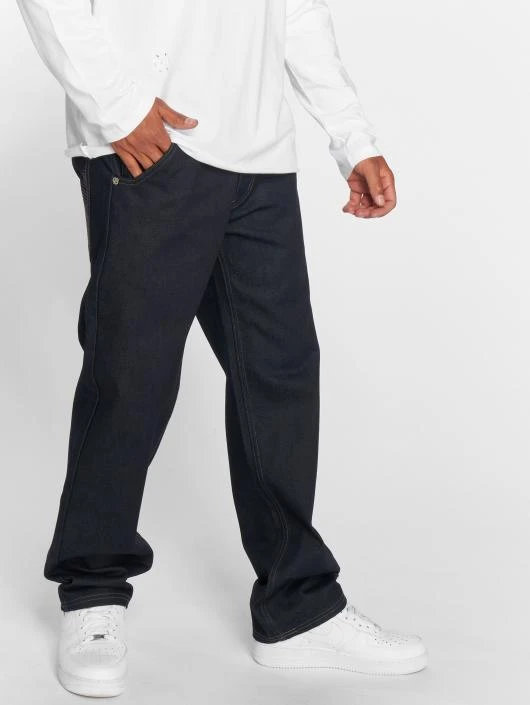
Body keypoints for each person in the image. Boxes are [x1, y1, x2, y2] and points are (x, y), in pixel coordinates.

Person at [17, 0, 427, 696]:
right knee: (132, 371)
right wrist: (118, 107)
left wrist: (351, 136)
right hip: (151, 143)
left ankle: (297, 606)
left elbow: (297, 12)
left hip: (259, 150)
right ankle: (92, 590)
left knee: (280, 371)